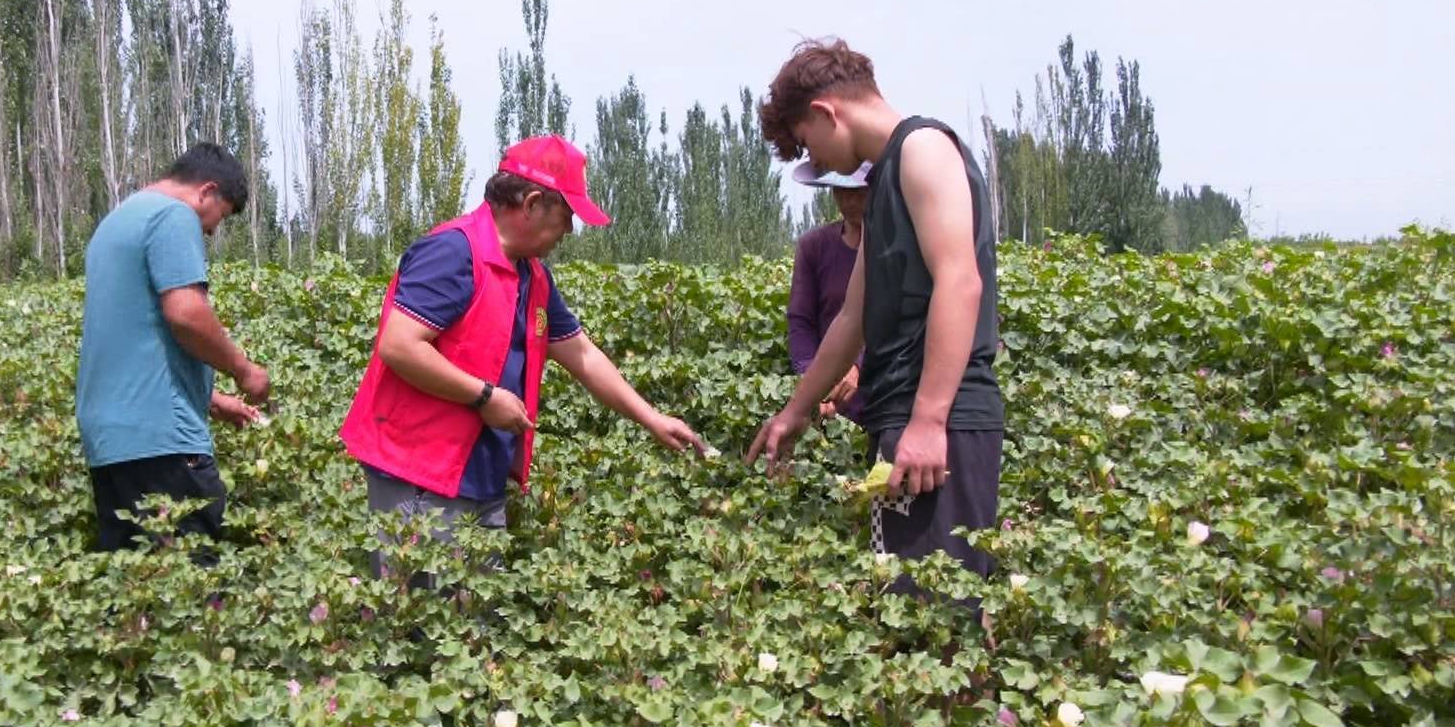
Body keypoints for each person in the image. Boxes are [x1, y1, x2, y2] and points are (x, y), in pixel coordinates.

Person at [341, 135, 707, 573]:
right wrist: (483, 397)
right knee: (421, 622)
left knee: (475, 622)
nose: (570, 230)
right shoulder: (454, 252)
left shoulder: (532, 276)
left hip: (480, 472)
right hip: (419, 471)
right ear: (532, 203)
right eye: (567, 214)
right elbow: (400, 345)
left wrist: (652, 418)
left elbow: (582, 355)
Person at [746, 39, 1003, 580]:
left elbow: (960, 283)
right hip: (904, 420)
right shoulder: (885, 179)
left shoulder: (924, 150)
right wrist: (793, 413)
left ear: (825, 112)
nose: (814, 162)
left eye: (805, 143)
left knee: (940, 620)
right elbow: (850, 320)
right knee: (905, 615)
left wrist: (930, 420)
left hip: (941, 425)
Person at [76, 142, 271, 558]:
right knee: (195, 597)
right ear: (206, 192)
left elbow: (133, 338)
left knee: (135, 600)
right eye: (212, 223)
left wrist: (211, 399)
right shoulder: (173, 215)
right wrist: (244, 370)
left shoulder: (116, 222)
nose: (208, 233)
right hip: (164, 444)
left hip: (111, 442)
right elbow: (185, 314)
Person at [789, 162, 873, 422]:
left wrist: (858, 366)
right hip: (834, 403)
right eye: (840, 191)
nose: (848, 200)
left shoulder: (899, 247)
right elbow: (801, 321)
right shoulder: (813, 247)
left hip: (887, 397)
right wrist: (813, 379)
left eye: (857, 191)